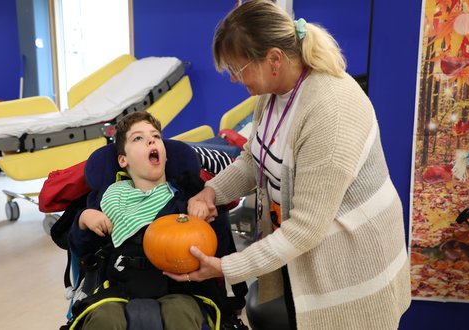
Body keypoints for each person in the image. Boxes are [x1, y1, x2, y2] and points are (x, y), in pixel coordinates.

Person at [165, 1, 412, 329]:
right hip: (307, 247)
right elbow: (254, 159)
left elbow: (307, 228)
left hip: (353, 259)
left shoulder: (330, 110)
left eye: (238, 70)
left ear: (274, 60)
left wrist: (228, 267)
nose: (235, 81)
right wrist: (212, 191)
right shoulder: (271, 94)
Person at [68, 111, 246, 330]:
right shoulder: (108, 198)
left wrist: (206, 218)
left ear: (165, 155)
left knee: (180, 314)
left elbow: (220, 250)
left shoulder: (187, 198)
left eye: (156, 136)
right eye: (138, 138)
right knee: (104, 317)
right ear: (123, 160)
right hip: (120, 286)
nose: (151, 139)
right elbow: (81, 249)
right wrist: (84, 220)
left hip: (180, 287)